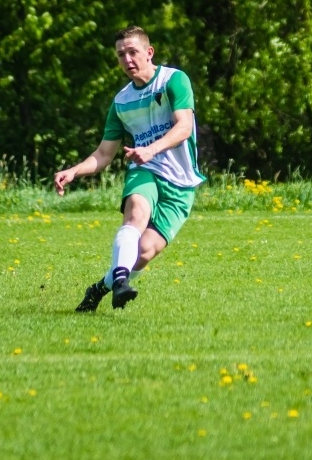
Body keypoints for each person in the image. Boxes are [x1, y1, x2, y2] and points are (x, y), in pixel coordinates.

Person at [54, 25, 205, 311]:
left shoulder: (174, 80)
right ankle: (121, 282)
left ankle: (100, 288)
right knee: (135, 212)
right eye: (121, 55)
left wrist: (150, 148)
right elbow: (103, 154)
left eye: (133, 52)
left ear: (149, 53)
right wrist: (74, 171)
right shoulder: (121, 102)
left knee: (145, 251)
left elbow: (184, 127)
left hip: (181, 181)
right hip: (145, 169)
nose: (127, 60)